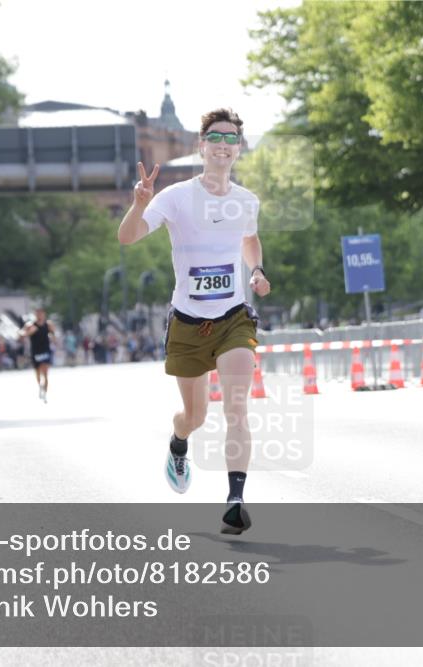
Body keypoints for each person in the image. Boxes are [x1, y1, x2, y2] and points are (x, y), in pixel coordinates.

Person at [117, 108, 270, 534]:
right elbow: (127, 237)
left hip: (233, 319)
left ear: (237, 148)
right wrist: (138, 204)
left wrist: (255, 271)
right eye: (215, 137)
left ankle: (235, 498)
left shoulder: (246, 201)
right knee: (195, 415)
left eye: (231, 138)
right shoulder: (175, 197)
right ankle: (178, 442)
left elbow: (250, 239)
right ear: (201, 145)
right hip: (187, 321)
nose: (223, 145)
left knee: (237, 407)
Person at [19, 308, 55, 402]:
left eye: (41, 313)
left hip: (46, 350)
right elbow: (21, 334)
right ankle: (40, 386)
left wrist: (52, 337)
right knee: (38, 372)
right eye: (37, 313)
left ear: (44, 314)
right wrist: (29, 332)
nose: (39, 315)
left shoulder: (48, 324)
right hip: (35, 352)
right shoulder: (30, 325)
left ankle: (45, 394)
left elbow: (54, 335)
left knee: (46, 373)